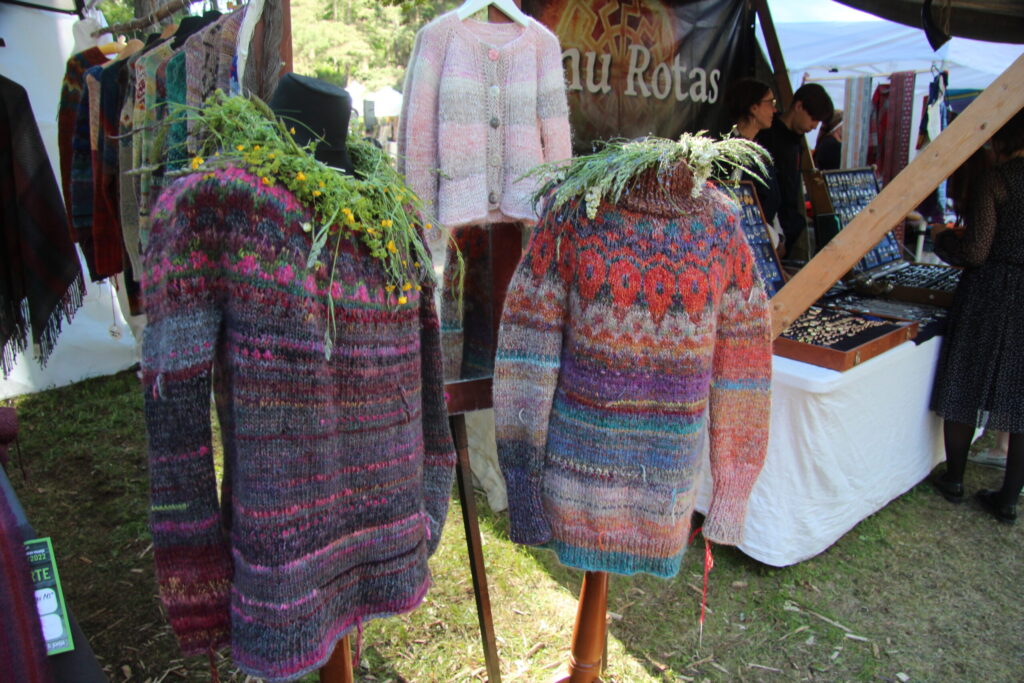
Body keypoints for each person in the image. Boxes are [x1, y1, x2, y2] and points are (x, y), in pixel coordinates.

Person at [929, 109, 1024, 524]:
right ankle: (1008, 499)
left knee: (965, 380)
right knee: (1020, 396)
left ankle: (954, 478)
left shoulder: (997, 180)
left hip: (990, 292)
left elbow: (976, 252)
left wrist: (943, 240)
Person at [755, 82, 835, 257]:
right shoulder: (769, 136)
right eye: (813, 118)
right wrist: (777, 234)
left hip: (788, 227)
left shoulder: (796, 141)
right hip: (771, 227)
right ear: (799, 106)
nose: (814, 126)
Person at [725, 77, 783, 248]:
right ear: (754, 107)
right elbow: (733, 203)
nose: (774, 109)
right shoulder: (733, 152)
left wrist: (777, 235)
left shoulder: (757, 149)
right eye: (770, 102)